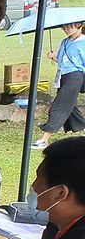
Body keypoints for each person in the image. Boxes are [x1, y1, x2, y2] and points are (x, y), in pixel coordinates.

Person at [33, 21, 85, 149]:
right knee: (70, 107)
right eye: (64, 27)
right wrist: (54, 57)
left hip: (75, 77)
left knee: (58, 106)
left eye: (69, 26)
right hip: (63, 77)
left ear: (79, 25)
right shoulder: (65, 42)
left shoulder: (83, 42)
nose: (65, 29)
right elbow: (63, 61)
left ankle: (44, 139)